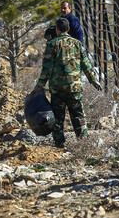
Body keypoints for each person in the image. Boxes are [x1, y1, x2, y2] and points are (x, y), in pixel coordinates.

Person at [32, 17, 101, 148]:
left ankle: (59, 144)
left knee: (58, 118)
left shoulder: (51, 44)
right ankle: (83, 143)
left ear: (57, 30)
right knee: (78, 115)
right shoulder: (77, 44)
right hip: (74, 87)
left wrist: (39, 86)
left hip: (58, 89)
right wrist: (93, 80)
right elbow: (86, 64)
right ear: (68, 29)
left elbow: (47, 69)